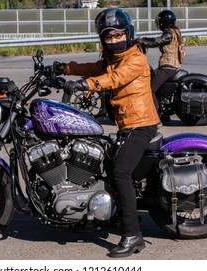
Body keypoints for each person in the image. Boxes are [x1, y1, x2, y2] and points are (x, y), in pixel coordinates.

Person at [53, 8, 160, 258]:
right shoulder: (113, 58)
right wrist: (64, 68)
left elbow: (114, 79)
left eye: (118, 35)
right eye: (108, 37)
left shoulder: (135, 59)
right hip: (127, 124)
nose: (114, 40)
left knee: (120, 170)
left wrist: (85, 85)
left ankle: (133, 235)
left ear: (128, 34)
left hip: (141, 124)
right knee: (107, 164)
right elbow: (93, 67)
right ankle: (116, 214)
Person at [134, 10, 184, 114]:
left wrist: (141, 41)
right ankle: (165, 114)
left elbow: (157, 41)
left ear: (164, 22)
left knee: (149, 90)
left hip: (168, 68)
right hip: (169, 67)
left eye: (160, 21)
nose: (158, 23)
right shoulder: (174, 31)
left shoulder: (169, 33)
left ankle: (155, 116)